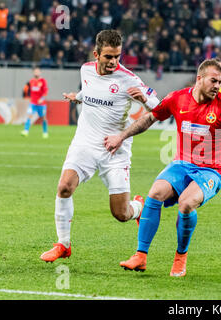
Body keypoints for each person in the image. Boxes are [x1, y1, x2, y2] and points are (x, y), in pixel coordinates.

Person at [104, 59, 221, 277]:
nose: (217, 85)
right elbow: (150, 117)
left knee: (186, 204)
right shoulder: (177, 99)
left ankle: (180, 257)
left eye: (220, 81)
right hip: (181, 164)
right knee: (155, 193)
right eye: (213, 80)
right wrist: (121, 136)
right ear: (200, 79)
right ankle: (140, 256)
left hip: (212, 171)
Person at [40, 30, 161, 263]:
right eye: (108, 57)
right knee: (64, 186)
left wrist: (146, 101)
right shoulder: (85, 69)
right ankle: (63, 244)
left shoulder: (129, 79)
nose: (113, 62)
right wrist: (79, 97)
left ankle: (139, 207)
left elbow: (159, 109)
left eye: (117, 56)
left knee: (121, 213)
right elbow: (91, 91)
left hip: (115, 149)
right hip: (85, 142)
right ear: (96, 54)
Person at [21, 67, 49, 138]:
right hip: (33, 103)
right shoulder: (31, 81)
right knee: (29, 115)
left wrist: (42, 99)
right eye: (35, 71)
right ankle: (26, 131)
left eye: (38, 71)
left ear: (40, 72)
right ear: (33, 73)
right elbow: (29, 91)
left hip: (41, 104)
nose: (36, 73)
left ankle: (45, 132)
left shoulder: (43, 81)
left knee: (43, 118)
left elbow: (45, 92)